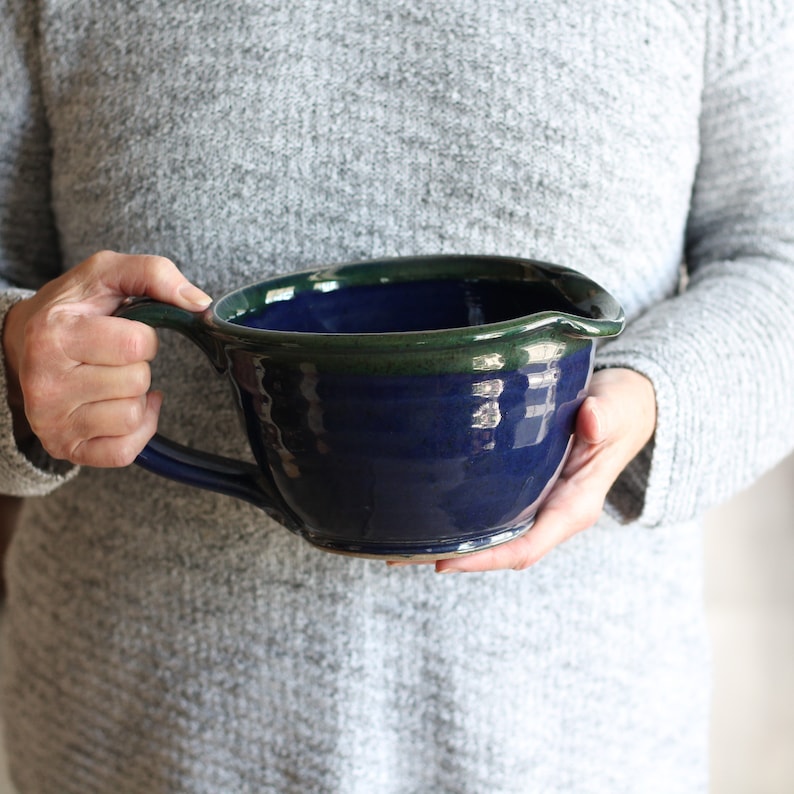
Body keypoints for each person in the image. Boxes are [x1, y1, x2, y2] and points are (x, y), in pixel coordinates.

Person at [0, 1, 792, 791]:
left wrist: (649, 397)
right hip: (136, 738)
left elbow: (779, 258)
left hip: (572, 739)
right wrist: (17, 366)